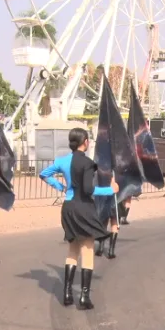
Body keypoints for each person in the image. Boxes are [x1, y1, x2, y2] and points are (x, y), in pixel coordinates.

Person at [39, 128, 119, 309]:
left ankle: (67, 294)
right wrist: (110, 190)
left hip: (68, 208)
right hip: (83, 208)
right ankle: (84, 297)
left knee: (72, 249)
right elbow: (88, 190)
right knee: (88, 250)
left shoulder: (62, 161)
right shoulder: (88, 163)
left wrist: (59, 185)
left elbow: (43, 174)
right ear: (85, 142)